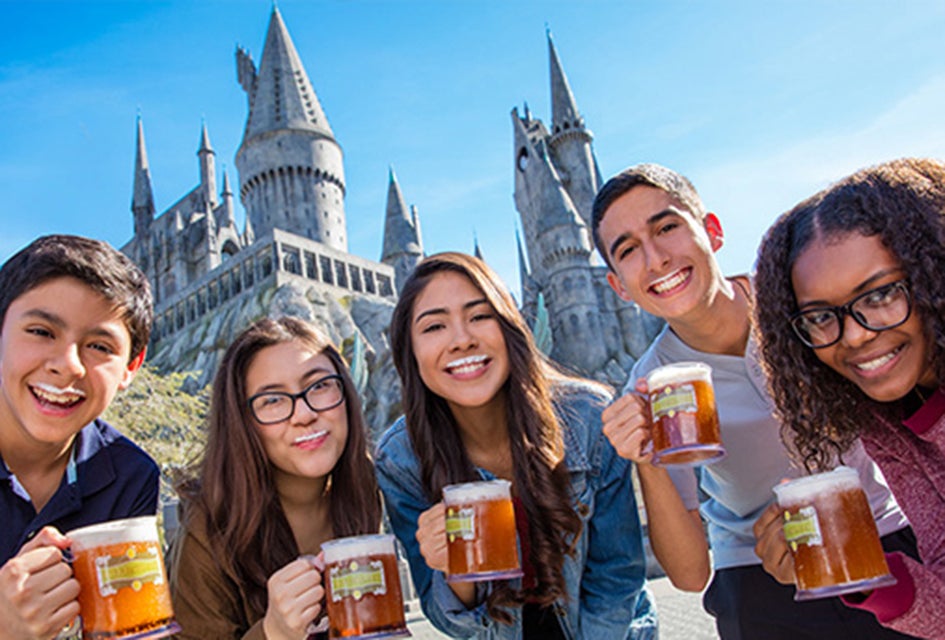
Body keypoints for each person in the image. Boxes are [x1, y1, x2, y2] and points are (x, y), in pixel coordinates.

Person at [590, 164, 919, 640]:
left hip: (884, 540)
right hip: (757, 579)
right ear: (619, 286)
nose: (657, 258)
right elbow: (688, 575)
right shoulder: (648, 385)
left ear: (713, 232)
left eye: (667, 227)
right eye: (629, 250)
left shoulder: (803, 301)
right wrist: (646, 458)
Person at [374, 252, 656, 639]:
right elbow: (453, 623)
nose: (461, 339)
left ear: (510, 327)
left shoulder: (589, 417)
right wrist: (453, 574)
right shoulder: (400, 460)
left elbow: (616, 577)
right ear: (410, 351)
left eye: (479, 316)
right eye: (435, 326)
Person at [752, 157, 945, 638]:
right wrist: (852, 568)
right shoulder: (886, 419)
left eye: (879, 295)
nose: (854, 336)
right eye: (820, 316)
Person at [169, 317, 382, 639]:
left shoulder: (362, 486)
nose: (305, 414)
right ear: (243, 424)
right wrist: (274, 632)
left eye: (320, 385)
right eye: (272, 400)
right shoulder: (209, 527)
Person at [0, 234, 159, 640]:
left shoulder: (130, 476)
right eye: (40, 331)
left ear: (131, 367)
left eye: (99, 346)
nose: (68, 365)